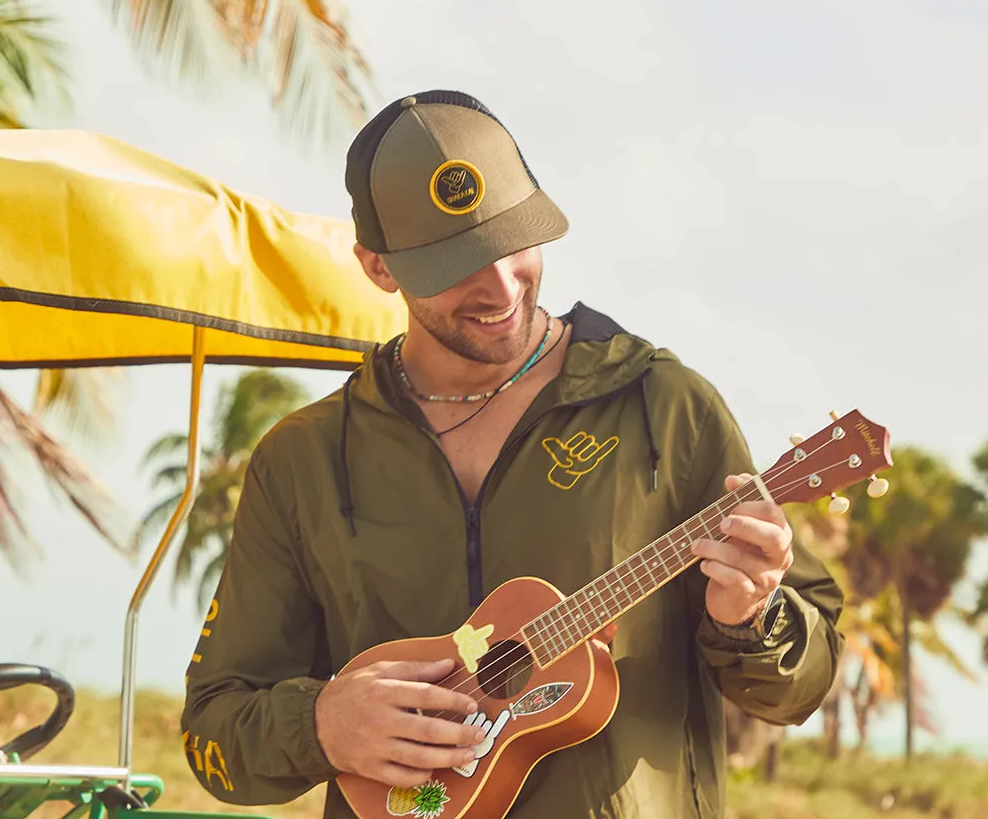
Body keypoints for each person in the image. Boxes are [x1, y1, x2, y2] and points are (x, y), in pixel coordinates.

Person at [182, 90, 843, 818]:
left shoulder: (668, 409)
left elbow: (799, 689)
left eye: (513, 241)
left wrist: (751, 616)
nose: (499, 287)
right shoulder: (302, 459)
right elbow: (213, 735)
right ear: (377, 268)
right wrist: (321, 727)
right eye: (453, 264)